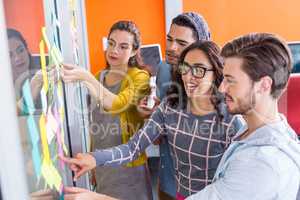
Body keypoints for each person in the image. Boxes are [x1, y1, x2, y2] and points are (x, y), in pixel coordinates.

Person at [61, 40, 244, 199]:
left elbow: (237, 181)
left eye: (199, 70)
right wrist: (94, 158)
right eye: (185, 68)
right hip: (181, 195)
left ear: (217, 73)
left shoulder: (232, 121)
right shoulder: (169, 108)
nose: (188, 76)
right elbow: (133, 148)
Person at [185, 33, 300, 199]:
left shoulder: (259, 164)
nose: (222, 88)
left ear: (264, 85)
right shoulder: (259, 129)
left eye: (230, 80)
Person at [62, 21, 152, 200]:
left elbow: (117, 104)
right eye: (111, 43)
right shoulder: (99, 78)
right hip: (100, 164)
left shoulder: (139, 77)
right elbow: (94, 124)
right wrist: (92, 162)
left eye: (123, 46)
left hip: (128, 166)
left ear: (134, 51)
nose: (114, 50)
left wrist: (86, 77)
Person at [138, 12, 211, 200]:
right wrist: (152, 113)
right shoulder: (164, 69)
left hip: (201, 188)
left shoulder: (214, 81)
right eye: (169, 39)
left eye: (181, 43)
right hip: (167, 179)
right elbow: (160, 135)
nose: (171, 48)